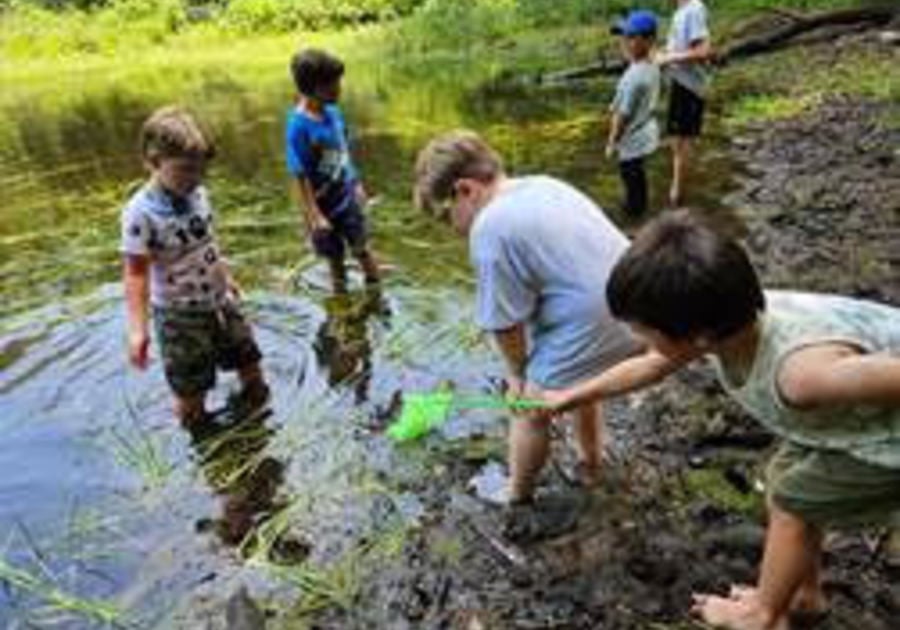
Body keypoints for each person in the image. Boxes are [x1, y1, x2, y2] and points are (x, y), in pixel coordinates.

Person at [542, 210, 900, 630]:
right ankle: (803, 595)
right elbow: (653, 366)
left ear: (699, 338)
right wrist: (569, 396)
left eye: (643, 331)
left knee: (792, 503)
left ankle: (763, 615)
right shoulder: (727, 318)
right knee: (783, 479)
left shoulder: (802, 377)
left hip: (885, 441)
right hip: (847, 423)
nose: (638, 341)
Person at [414, 130, 640, 525]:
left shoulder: (489, 227)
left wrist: (518, 377)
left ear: (465, 190)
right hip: (640, 304)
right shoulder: (541, 184)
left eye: (443, 214)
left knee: (529, 407)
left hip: (599, 320)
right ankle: (591, 460)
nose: (450, 228)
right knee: (576, 379)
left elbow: (505, 325)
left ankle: (516, 495)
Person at [121, 105, 269, 431]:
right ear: (153, 161)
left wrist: (226, 277)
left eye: (201, 170)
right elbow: (135, 274)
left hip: (220, 301)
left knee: (250, 360)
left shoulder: (199, 193)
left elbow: (208, 241)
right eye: (185, 170)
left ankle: (260, 422)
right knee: (191, 389)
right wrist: (138, 330)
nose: (195, 179)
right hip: (180, 316)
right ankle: (201, 441)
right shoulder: (140, 213)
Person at [286, 47, 380, 294]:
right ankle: (341, 304)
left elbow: (343, 151)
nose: (339, 89)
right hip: (321, 204)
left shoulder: (334, 114)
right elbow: (299, 174)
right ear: (314, 88)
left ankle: (378, 296)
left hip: (345, 196)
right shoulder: (299, 126)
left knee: (362, 248)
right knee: (334, 258)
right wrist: (314, 214)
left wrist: (356, 182)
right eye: (333, 85)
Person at [655, 0, 712, 206]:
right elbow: (682, 47)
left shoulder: (694, 8)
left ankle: (677, 199)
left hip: (689, 87)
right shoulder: (680, 11)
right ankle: (680, 195)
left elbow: (703, 51)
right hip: (680, 84)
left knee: (681, 142)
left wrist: (668, 58)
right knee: (676, 141)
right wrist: (663, 54)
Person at [606, 9, 661, 216]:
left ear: (648, 41)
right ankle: (641, 209)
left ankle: (634, 216)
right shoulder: (651, 64)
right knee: (639, 176)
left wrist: (612, 142)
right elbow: (655, 55)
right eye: (622, 36)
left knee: (630, 178)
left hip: (631, 139)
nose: (623, 42)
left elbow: (622, 115)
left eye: (630, 37)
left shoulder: (633, 78)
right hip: (645, 132)